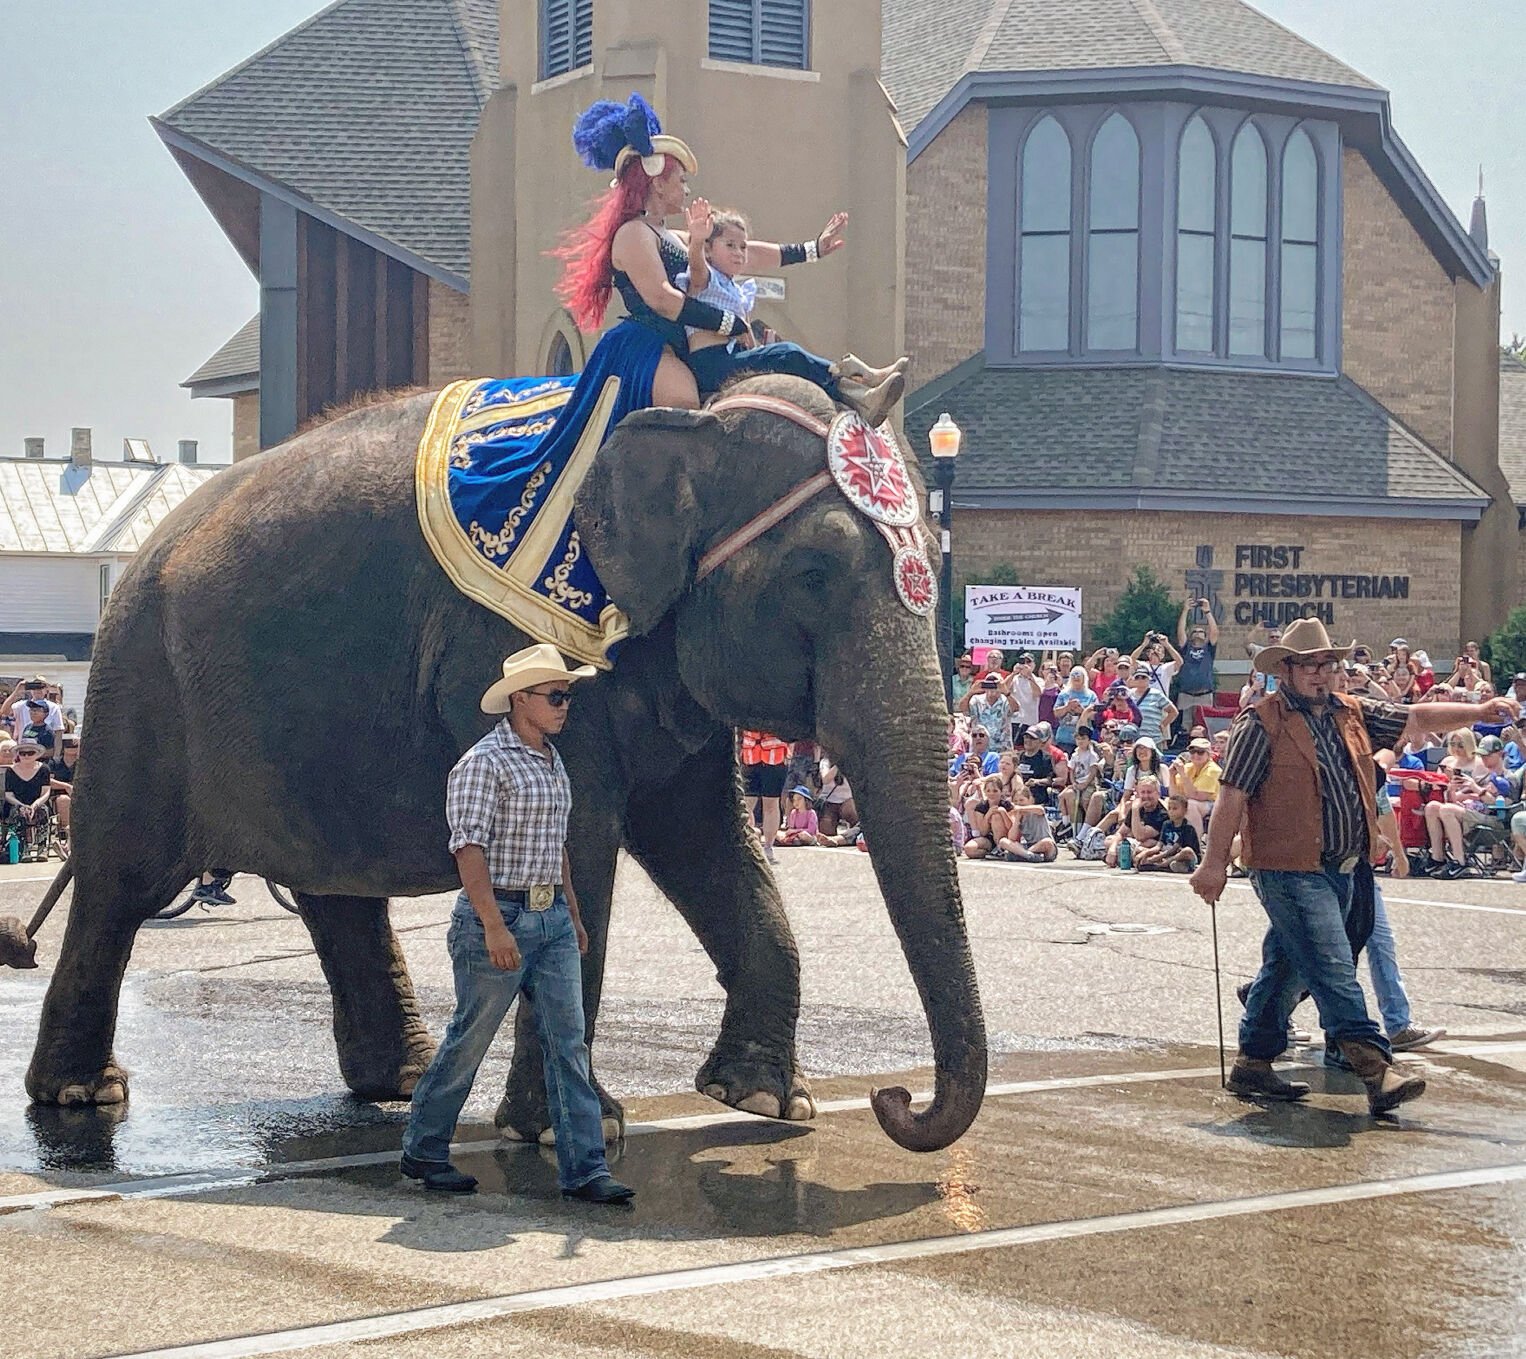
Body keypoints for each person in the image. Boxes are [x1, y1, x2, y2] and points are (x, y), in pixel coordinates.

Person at [1191, 617, 1519, 1114]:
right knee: (1332, 965)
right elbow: (1233, 794)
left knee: (1288, 967)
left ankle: (1253, 1064)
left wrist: (1480, 709)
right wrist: (1213, 863)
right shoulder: (1261, 722)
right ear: (1287, 671)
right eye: (1310, 666)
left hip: (1349, 864)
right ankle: (1374, 1067)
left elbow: (1417, 718)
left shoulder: (1353, 712)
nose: (1322, 674)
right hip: (1288, 867)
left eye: (1328, 664)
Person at [402, 644, 633, 1204]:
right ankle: (425, 1148)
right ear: (520, 700)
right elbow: (468, 850)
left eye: (567, 695)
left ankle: (585, 1171)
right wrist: (493, 927)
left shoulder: (551, 760)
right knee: (469, 1039)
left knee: (569, 1044)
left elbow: (557, 847)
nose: (564, 705)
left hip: (548, 916)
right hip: (498, 915)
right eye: (555, 696)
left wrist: (571, 916)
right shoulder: (483, 764)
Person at [678, 206, 906, 423]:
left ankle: (863, 382)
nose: (738, 253)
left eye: (743, 247)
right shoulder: (706, 280)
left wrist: (814, 248)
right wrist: (697, 240)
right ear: (709, 249)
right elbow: (697, 267)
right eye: (730, 245)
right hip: (711, 364)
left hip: (732, 357)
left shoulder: (735, 289)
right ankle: (858, 388)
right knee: (788, 353)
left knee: (786, 363)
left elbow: (747, 336)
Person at [740, 730, 789, 865]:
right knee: (746, 803)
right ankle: (746, 843)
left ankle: (768, 847)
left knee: (771, 803)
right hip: (750, 754)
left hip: (775, 755)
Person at [3, 740, 52, 861]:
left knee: (42, 810)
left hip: (38, 802)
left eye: (30, 753)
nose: (26, 756)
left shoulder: (44, 769)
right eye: (22, 753)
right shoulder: (11, 771)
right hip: (17, 803)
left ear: (36, 754)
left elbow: (46, 792)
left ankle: (42, 848)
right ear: (18, 754)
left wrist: (34, 805)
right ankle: (24, 849)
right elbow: (8, 795)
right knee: (18, 812)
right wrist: (22, 806)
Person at [1174, 599, 1219, 725]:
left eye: (1201, 632)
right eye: (1195, 631)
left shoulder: (1209, 649)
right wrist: (1185, 610)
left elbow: (1215, 632)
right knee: (1185, 728)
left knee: (1204, 726)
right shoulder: (1186, 648)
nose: (1198, 633)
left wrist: (1208, 612)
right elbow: (1181, 632)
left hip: (1205, 694)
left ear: (1205, 637)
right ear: (1191, 636)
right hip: (1186, 695)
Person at [1170, 736, 1221, 840]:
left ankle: (1195, 842)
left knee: (1190, 805)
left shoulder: (1212, 770)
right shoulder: (1188, 767)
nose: (1196, 755)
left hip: (1214, 804)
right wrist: (1171, 776)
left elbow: (1196, 796)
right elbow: (1174, 796)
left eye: (1200, 752)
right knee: (1170, 803)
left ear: (1208, 754)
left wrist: (1183, 775)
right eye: (1192, 752)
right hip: (1193, 801)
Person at [1135, 793, 1200, 873]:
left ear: (1184, 811)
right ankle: (1174, 866)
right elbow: (1159, 846)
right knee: (1139, 850)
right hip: (1168, 855)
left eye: (1175, 809)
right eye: (1169, 808)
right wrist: (1146, 853)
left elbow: (1175, 848)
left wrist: (1157, 857)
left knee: (1186, 851)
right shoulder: (1166, 824)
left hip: (1186, 856)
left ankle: (1160, 866)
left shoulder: (1187, 827)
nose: (1171, 811)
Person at [996, 783, 1057, 863]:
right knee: (1003, 841)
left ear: (1030, 800)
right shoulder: (1018, 816)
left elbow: (1040, 810)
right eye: (1015, 801)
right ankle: (1028, 855)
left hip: (1043, 845)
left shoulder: (1035, 810)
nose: (1018, 803)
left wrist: (1021, 808)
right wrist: (1017, 820)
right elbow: (1012, 838)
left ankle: (1021, 855)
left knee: (1047, 842)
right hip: (1029, 846)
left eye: (1021, 800)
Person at [959, 673, 1014, 752]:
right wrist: (970, 692)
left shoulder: (1006, 700)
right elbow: (962, 708)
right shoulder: (976, 700)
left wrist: (1006, 692)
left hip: (1002, 748)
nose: (992, 688)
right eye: (988, 684)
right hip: (979, 748)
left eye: (995, 684)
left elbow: (1016, 709)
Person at [1050, 667, 1098, 754]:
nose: (1076, 677)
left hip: (1084, 738)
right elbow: (1056, 713)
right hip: (1065, 739)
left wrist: (1082, 711)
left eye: (1078, 674)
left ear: (1084, 677)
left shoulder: (1091, 695)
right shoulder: (1063, 694)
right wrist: (1067, 707)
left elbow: (1095, 717)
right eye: (1073, 674)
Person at [47, 733, 78, 846]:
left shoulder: (84, 763)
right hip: (59, 796)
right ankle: (67, 832)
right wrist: (66, 786)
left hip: (80, 794)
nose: (71, 748)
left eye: (74, 746)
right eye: (68, 745)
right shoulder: (54, 763)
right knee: (64, 800)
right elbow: (48, 781)